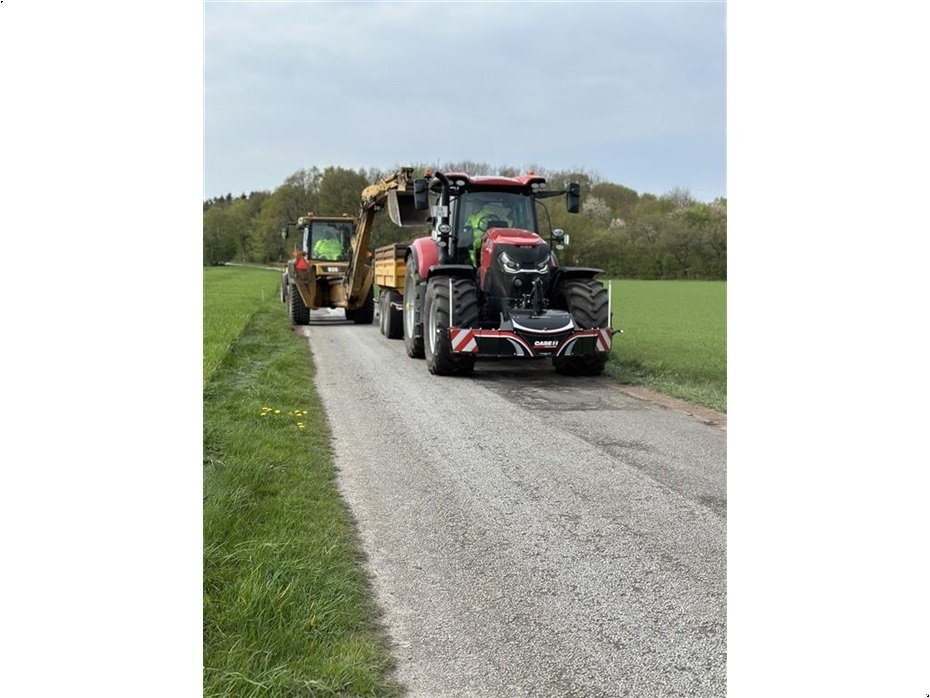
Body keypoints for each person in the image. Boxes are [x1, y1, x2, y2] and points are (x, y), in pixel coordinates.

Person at [467, 200, 512, 265]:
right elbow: (467, 225)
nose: (473, 207)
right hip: (474, 237)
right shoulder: (472, 216)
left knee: (478, 243)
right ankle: (474, 264)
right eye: (472, 205)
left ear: (480, 205)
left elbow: (492, 225)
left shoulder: (488, 214)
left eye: (474, 205)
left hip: (487, 236)